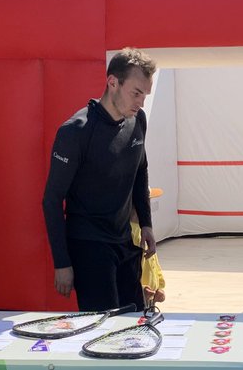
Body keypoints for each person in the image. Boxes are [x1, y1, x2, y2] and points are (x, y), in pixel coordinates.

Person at [42, 47, 157, 312]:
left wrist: (147, 224)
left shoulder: (137, 119)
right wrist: (62, 262)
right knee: (102, 331)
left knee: (134, 323)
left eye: (145, 95)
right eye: (136, 92)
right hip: (89, 245)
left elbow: (140, 170)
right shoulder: (76, 131)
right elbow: (51, 200)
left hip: (126, 241)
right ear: (113, 82)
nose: (140, 102)